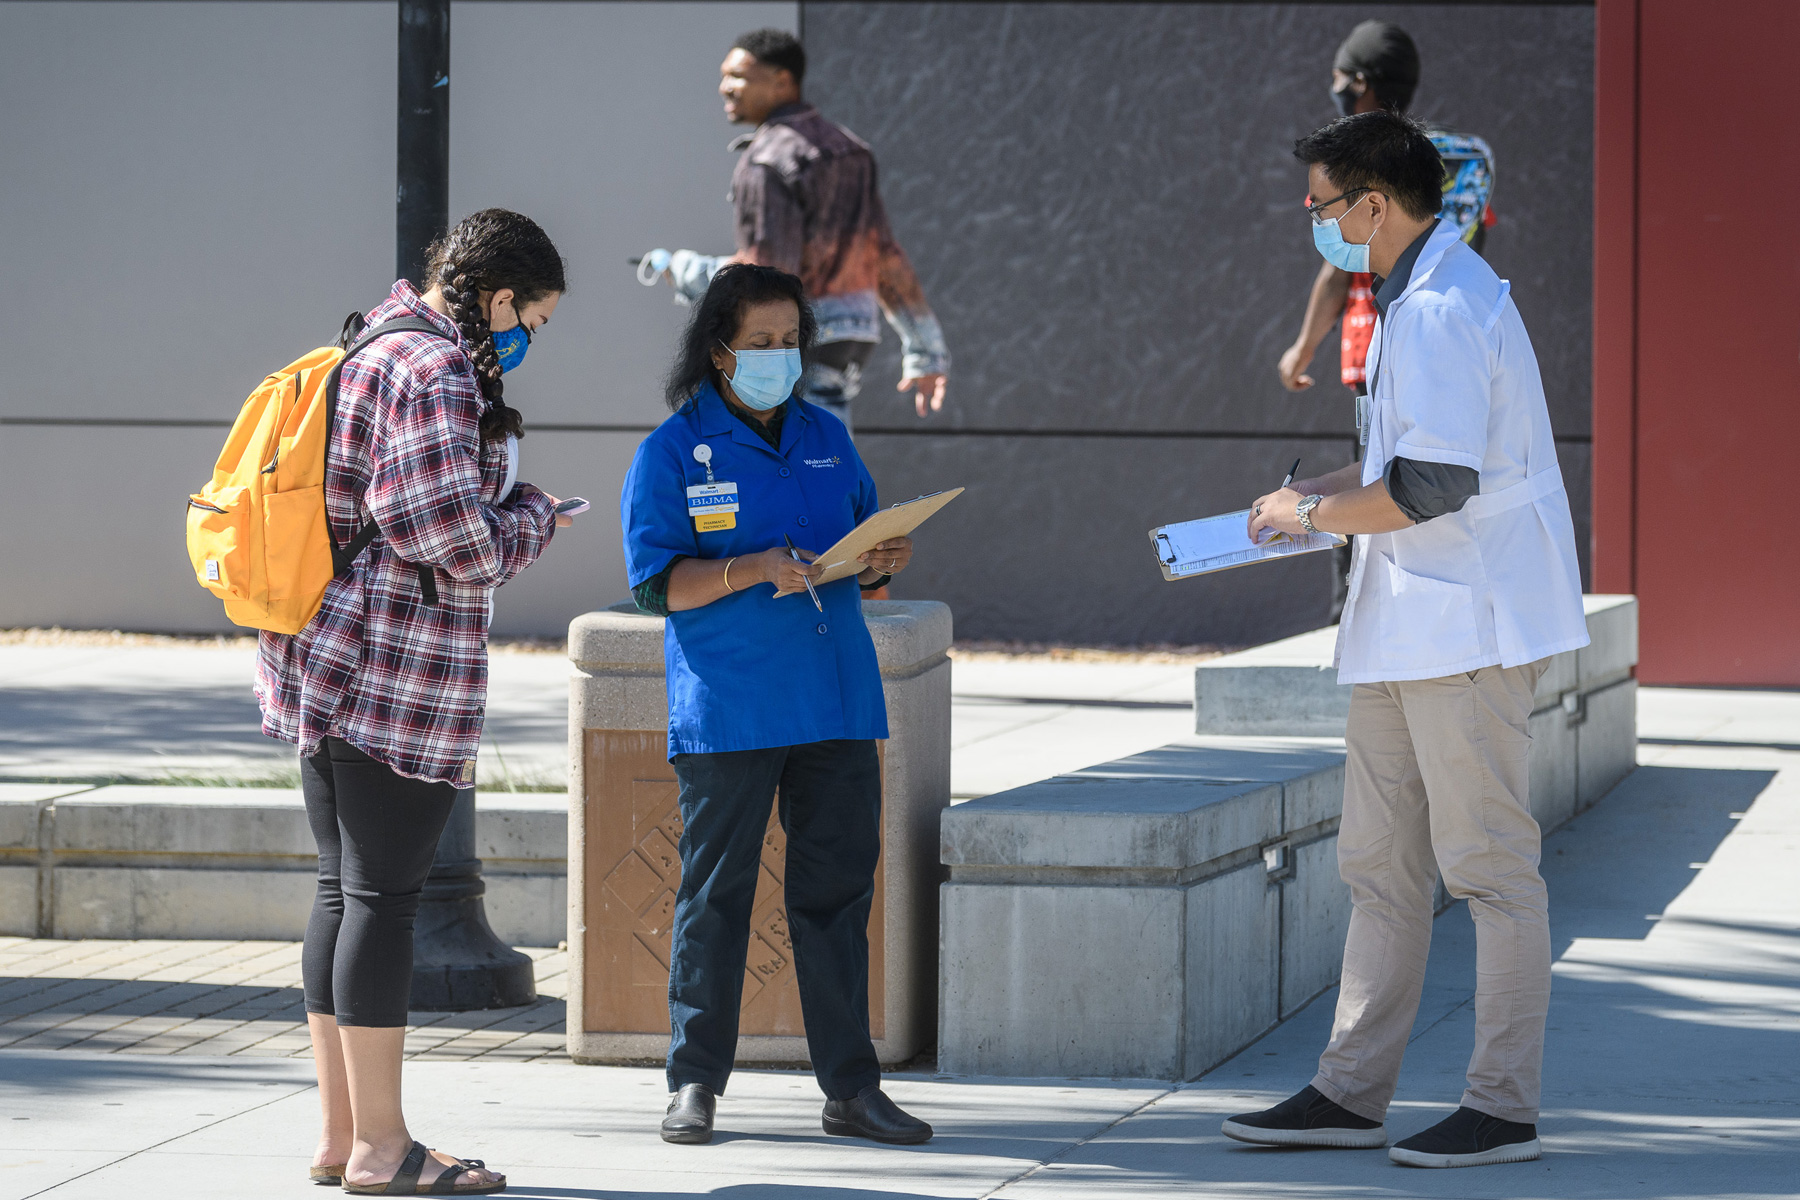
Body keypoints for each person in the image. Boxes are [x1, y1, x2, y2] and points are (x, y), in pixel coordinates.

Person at [1224, 112, 1586, 1169]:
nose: (1318, 226)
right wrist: (1310, 494)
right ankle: (1350, 1090)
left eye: (1324, 208)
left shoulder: (1436, 310)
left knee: (1490, 869)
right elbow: (1400, 462)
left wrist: (1315, 518)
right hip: (1409, 629)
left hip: (1464, 625)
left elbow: (1432, 489)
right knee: (1381, 866)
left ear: (1374, 205)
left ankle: (1503, 1106)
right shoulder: (1418, 294)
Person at [257, 209, 575, 1195]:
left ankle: (341, 1134)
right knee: (384, 903)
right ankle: (386, 1151)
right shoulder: (434, 370)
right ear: (497, 295)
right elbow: (448, 533)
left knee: (341, 892)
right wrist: (531, 521)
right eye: (534, 318)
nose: (530, 340)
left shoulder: (370, 340)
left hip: (322, 657)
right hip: (394, 674)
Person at [619, 263, 930, 1147]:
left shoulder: (829, 436)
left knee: (836, 897)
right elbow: (654, 588)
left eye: (789, 341)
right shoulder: (673, 452)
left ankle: (852, 1089)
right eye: (758, 344)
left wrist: (881, 559)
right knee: (715, 896)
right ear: (718, 351)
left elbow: (862, 539)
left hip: (834, 700)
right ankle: (694, 1084)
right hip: (733, 706)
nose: (777, 358)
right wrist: (750, 569)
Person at [1276, 20, 1495, 620]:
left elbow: (1338, 272)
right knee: (1394, 470)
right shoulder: (1459, 159)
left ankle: (1351, 611)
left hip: (1393, 338)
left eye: (1342, 83)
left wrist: (1301, 348)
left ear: (1363, 85)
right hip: (1419, 342)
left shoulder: (1359, 167)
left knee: (1384, 475)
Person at [643, 27, 950, 433]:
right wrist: (926, 352)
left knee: (791, 459)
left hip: (793, 336)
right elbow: (885, 254)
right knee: (824, 447)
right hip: (853, 334)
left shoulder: (767, 159)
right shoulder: (850, 149)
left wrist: (686, 271)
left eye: (738, 76)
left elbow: (765, 276)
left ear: (782, 80)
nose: (724, 88)